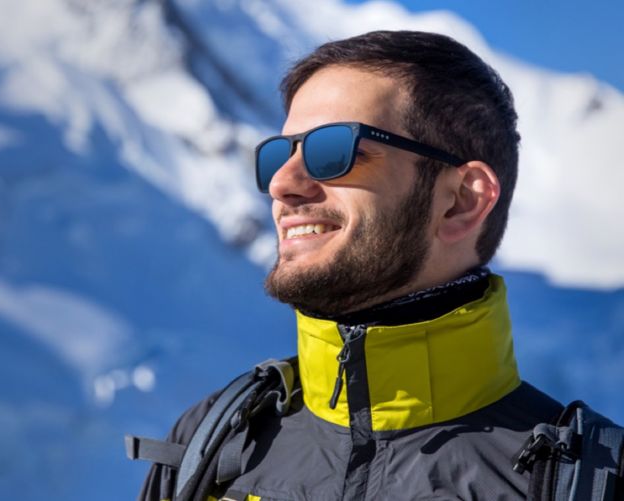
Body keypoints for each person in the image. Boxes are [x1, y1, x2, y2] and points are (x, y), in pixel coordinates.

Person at [130, 30, 622, 500]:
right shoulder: (209, 442)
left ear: (460, 201)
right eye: (278, 154)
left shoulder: (588, 482)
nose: (282, 183)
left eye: (333, 151)